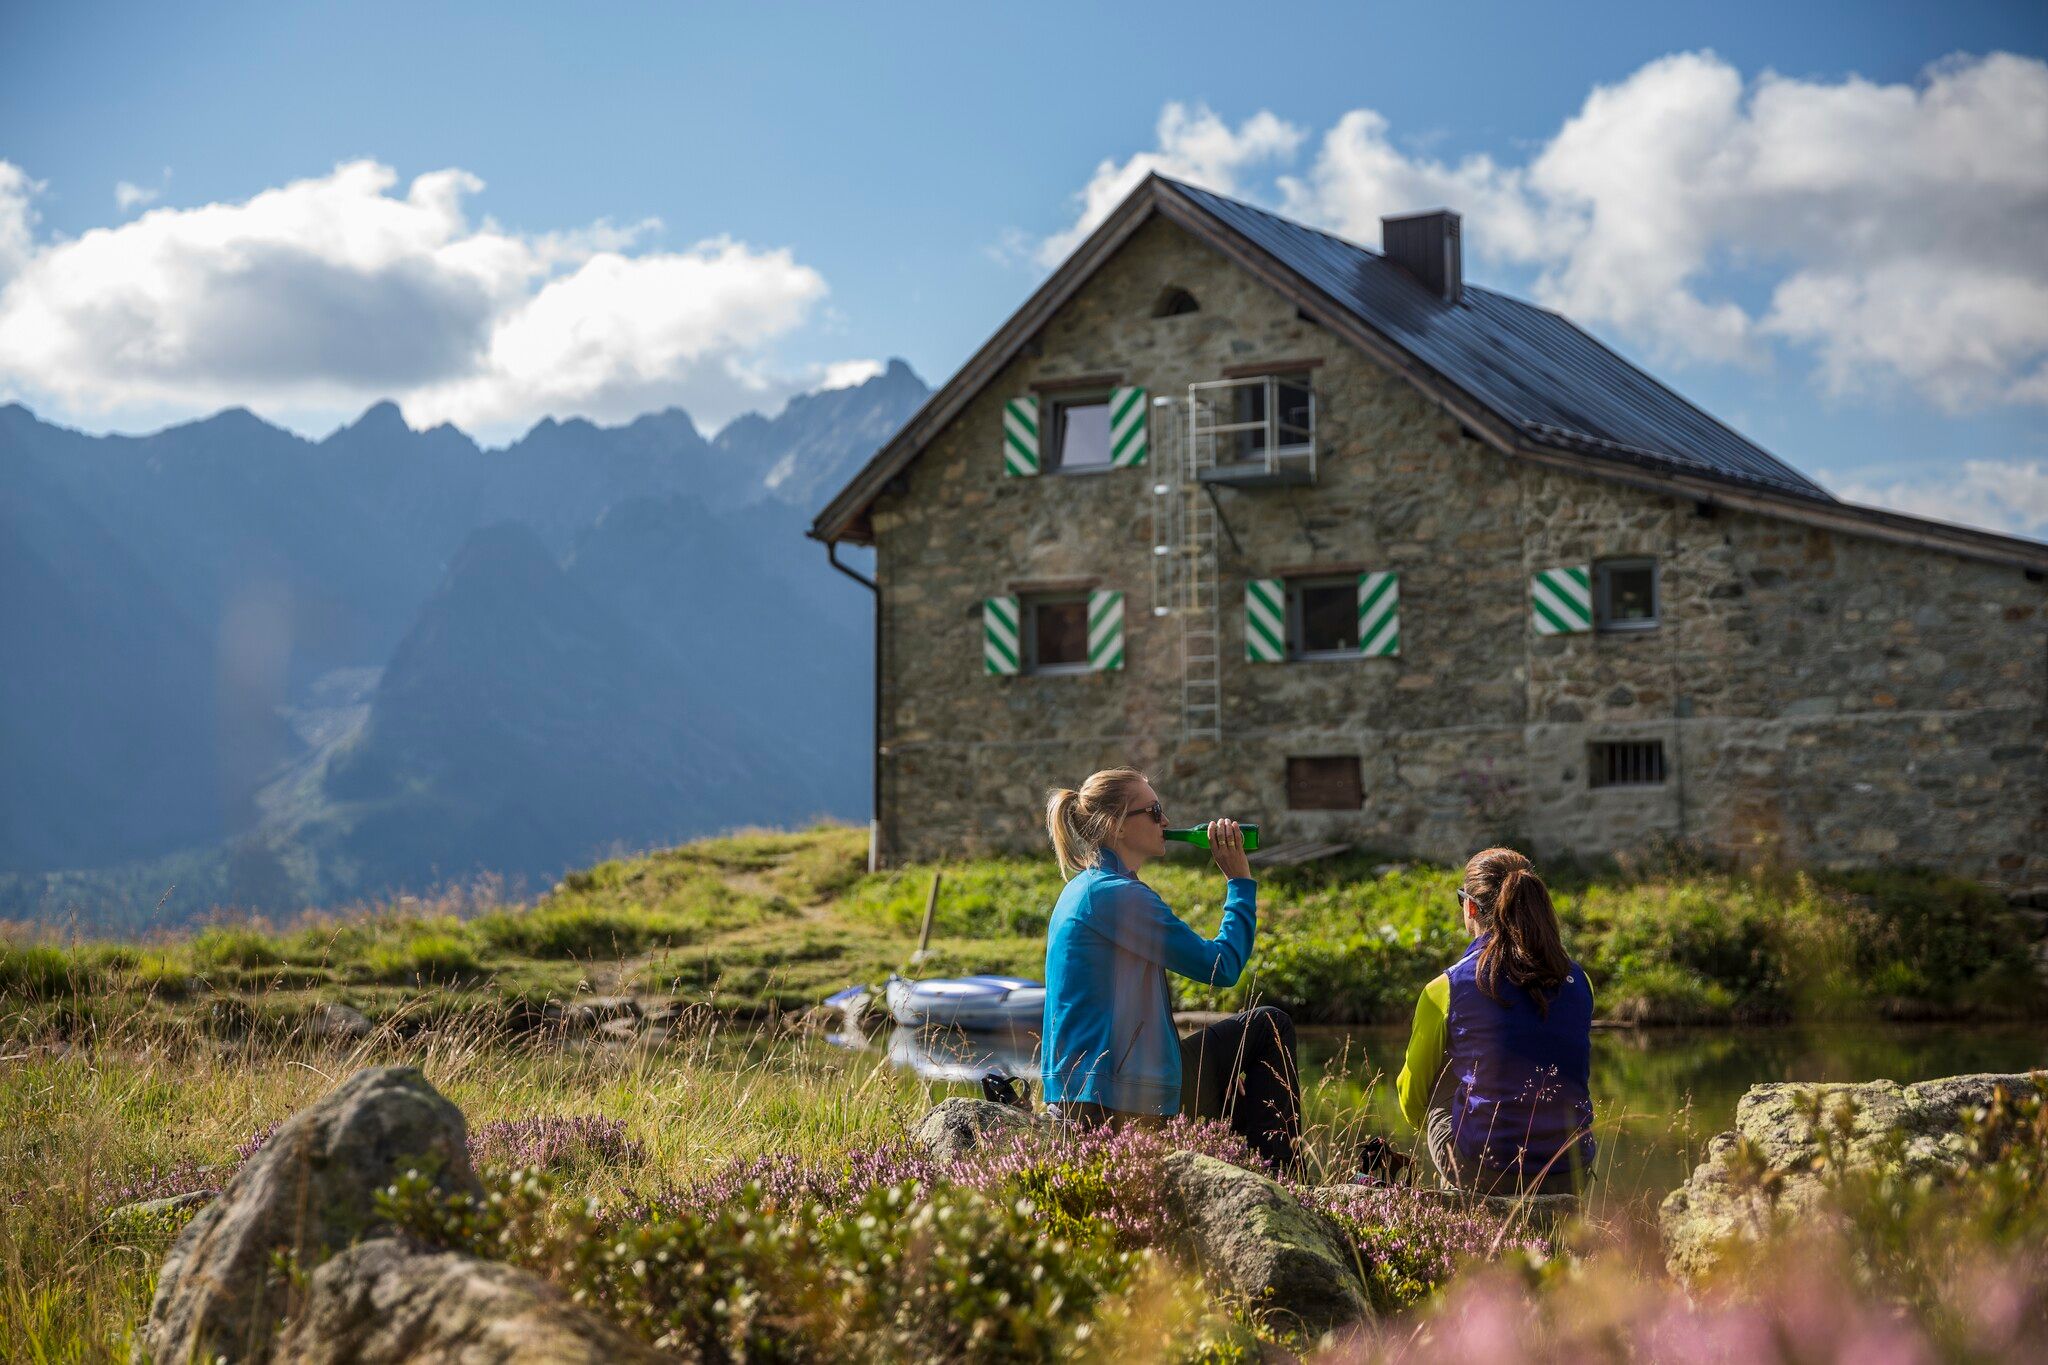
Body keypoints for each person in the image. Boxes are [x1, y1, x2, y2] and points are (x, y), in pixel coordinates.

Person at [1039, 768, 1302, 1173]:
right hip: (1118, 1102)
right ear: (1116, 826)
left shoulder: (1085, 888)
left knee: (1245, 1052)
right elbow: (1221, 967)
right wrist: (1239, 881)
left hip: (1089, 1093)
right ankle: (1283, 1182)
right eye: (1153, 811)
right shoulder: (1116, 896)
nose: (1165, 820)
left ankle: (1253, 1178)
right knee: (1269, 1028)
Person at [1395, 847, 1595, 1195]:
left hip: (1485, 1170)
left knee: (1448, 1066)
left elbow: (1412, 1101)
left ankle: (1460, 1203)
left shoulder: (1447, 987)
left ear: (1470, 907)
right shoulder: (1579, 980)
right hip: (1571, 1168)